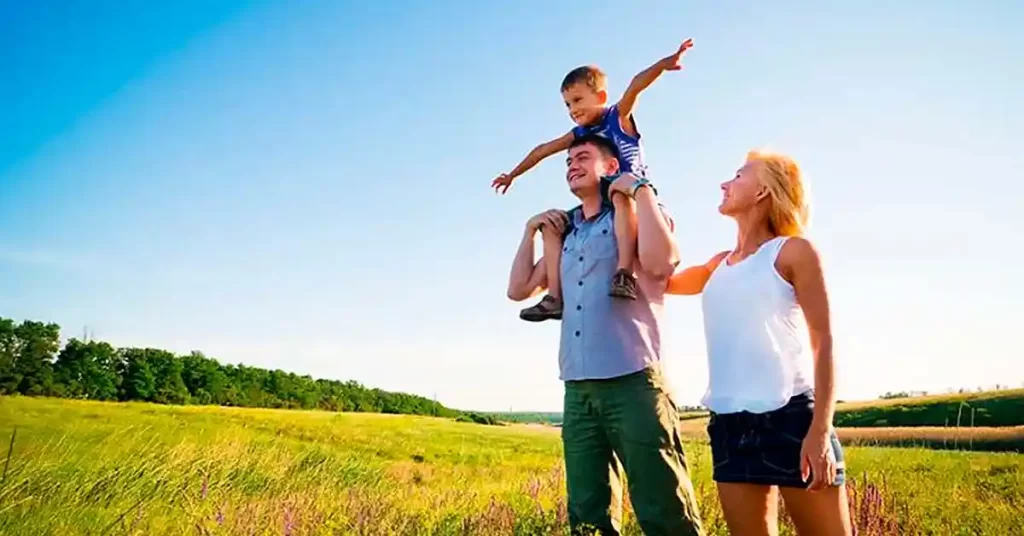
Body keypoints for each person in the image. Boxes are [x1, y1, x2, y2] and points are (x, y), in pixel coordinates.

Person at [506, 134, 704, 536]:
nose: (571, 165)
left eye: (582, 157)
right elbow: (519, 289)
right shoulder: (569, 233)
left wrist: (641, 190)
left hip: (633, 381)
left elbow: (664, 261)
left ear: (611, 167)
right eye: (567, 162)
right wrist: (529, 231)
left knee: (663, 507)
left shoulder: (631, 215)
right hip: (578, 389)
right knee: (587, 512)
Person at [666, 150, 853, 536]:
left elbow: (825, 341)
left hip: (793, 419)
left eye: (737, 176)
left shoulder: (794, 252)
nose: (724, 183)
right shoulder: (717, 265)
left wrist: (819, 430)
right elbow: (659, 281)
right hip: (730, 424)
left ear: (763, 191)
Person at [494, 38, 694, 323]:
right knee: (554, 224)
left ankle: (623, 272)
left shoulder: (617, 117)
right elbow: (543, 150)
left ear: (600, 97)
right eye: (567, 105)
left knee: (618, 194)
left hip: (629, 191)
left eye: (577, 101)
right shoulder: (579, 134)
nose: (572, 110)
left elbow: (636, 85)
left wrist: (664, 64)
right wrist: (513, 174)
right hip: (599, 202)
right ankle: (555, 297)